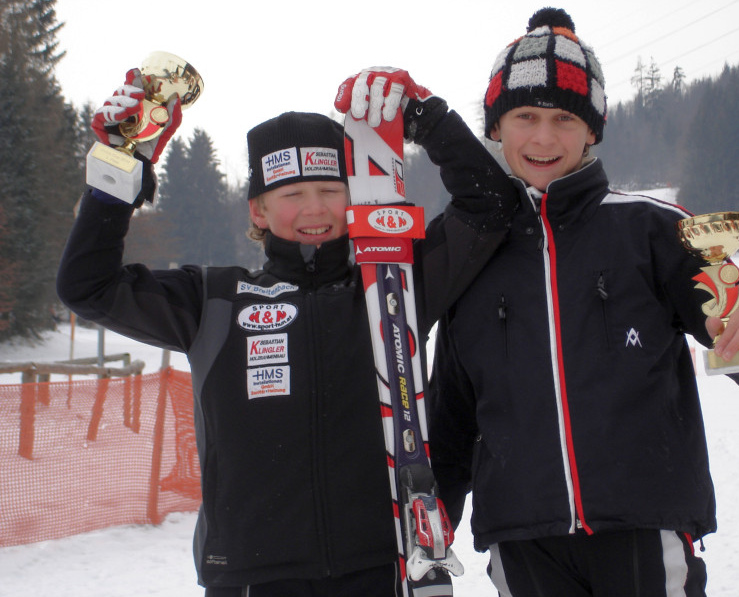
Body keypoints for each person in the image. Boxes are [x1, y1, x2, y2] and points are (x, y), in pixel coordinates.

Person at [56, 67, 516, 596]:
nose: (315, 209)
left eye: (329, 189)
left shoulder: (395, 285)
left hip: (380, 570)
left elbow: (490, 208)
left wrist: (426, 119)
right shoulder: (214, 300)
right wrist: (121, 164)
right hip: (250, 577)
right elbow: (87, 286)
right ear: (258, 208)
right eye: (293, 194)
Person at [417, 7, 739, 597]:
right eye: (526, 117)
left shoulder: (653, 228)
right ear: (495, 126)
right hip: (523, 540)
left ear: (594, 128)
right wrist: (437, 501)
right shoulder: (470, 252)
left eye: (565, 119)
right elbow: (454, 407)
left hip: (644, 528)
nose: (545, 138)